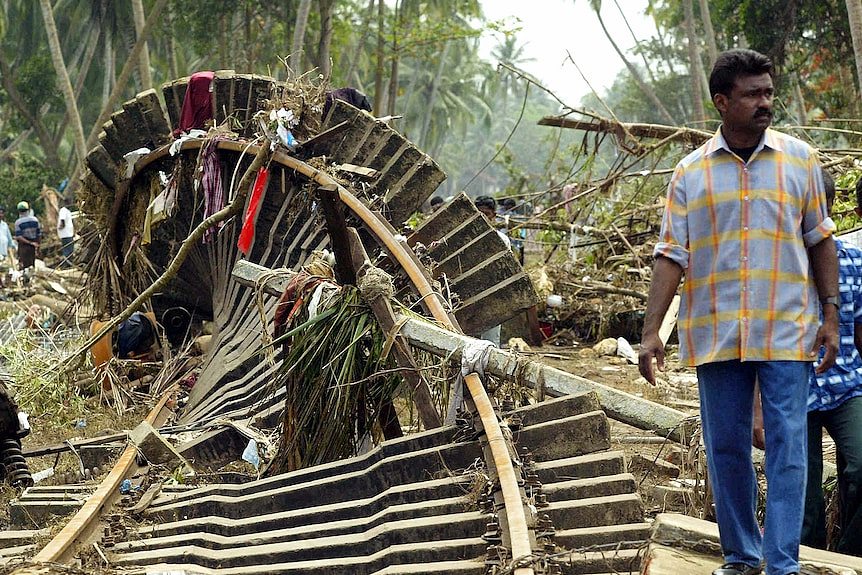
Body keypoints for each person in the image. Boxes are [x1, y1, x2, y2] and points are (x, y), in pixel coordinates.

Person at [638, 49, 839, 575]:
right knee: (726, 448)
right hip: (716, 329)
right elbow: (670, 255)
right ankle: (741, 556)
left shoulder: (801, 161)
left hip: (786, 328)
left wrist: (833, 316)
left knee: (788, 448)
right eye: (752, 94)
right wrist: (650, 331)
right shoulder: (690, 172)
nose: (764, 102)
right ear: (722, 103)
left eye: (768, 92)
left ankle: (782, 564)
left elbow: (820, 240)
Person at [14, 201, 41, 271]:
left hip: (24, 247)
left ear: (19, 211)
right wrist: (38, 246)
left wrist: (29, 242)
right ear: (28, 210)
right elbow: (39, 234)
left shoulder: (18, 222)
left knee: (24, 267)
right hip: (33, 246)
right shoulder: (35, 220)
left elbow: (19, 237)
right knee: (32, 265)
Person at [56, 197, 75, 267]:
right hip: (66, 234)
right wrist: (61, 226)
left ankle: (68, 264)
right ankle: (66, 265)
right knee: (68, 250)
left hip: (68, 233)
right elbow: (62, 220)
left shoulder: (67, 211)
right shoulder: (63, 210)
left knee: (70, 250)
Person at [0, 207, 16, 275]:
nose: (0, 215)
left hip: (3, 254)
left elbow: (9, 239)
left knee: (4, 272)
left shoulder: (4, 225)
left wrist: (14, 247)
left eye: (1, 213)